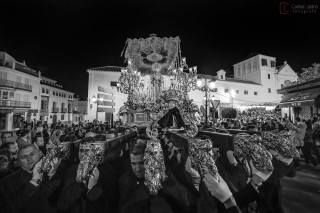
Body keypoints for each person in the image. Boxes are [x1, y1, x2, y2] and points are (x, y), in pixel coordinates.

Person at [119, 143, 194, 213]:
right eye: (134, 164)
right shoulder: (125, 181)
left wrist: (165, 184)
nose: (137, 169)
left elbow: (187, 201)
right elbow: (123, 209)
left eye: (141, 163)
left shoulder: (164, 174)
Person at [0, 144, 62, 213]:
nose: (29, 159)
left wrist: (52, 173)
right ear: (19, 161)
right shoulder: (6, 181)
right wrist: (34, 181)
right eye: (24, 157)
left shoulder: (52, 173)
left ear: (40, 154)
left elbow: (59, 201)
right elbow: (7, 208)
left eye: (32, 154)